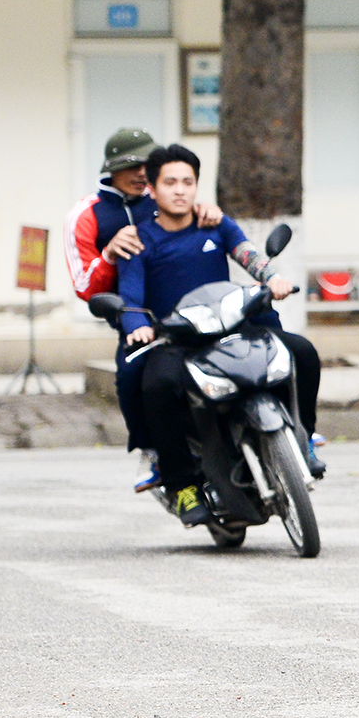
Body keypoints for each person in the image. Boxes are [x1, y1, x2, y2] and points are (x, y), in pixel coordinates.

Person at [120, 145, 324, 527]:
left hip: (231, 325)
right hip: (178, 338)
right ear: (153, 188)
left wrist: (271, 279)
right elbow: (130, 297)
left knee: (303, 353)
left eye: (188, 182)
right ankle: (182, 486)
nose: (180, 190)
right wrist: (138, 327)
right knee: (157, 386)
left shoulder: (215, 223)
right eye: (170, 183)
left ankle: (305, 441)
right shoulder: (137, 239)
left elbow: (247, 253)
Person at [62, 127, 221, 491]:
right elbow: (84, 287)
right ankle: (151, 451)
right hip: (135, 317)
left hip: (193, 309)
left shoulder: (165, 195)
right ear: (110, 169)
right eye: (130, 166)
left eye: (146, 166)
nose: (140, 174)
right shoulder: (86, 215)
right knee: (132, 377)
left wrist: (209, 211)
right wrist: (109, 254)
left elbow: (199, 228)